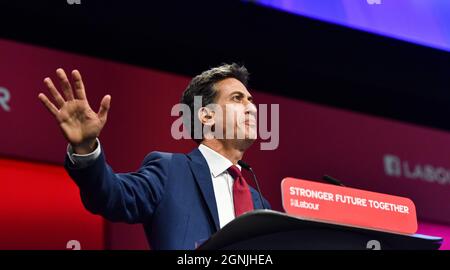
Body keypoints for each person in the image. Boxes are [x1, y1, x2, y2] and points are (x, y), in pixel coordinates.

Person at [38, 63, 270, 250]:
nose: (251, 107)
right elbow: (111, 195)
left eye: (250, 100)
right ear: (206, 116)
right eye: (237, 98)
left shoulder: (261, 205)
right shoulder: (170, 171)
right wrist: (86, 147)